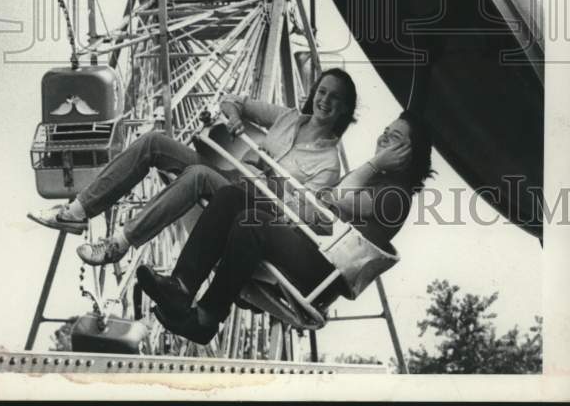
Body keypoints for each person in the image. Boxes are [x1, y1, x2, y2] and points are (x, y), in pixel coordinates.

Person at [136, 110, 433, 344]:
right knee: (232, 196)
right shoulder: (377, 180)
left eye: (393, 138)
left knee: (251, 225)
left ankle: (206, 318)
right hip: (308, 244)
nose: (383, 138)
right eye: (385, 131)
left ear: (409, 154)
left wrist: (372, 163)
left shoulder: (397, 195)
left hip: (322, 268)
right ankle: (181, 287)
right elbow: (326, 204)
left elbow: (338, 199)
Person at [27, 69, 357, 267]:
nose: (324, 101)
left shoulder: (328, 162)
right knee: (154, 142)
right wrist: (235, 117)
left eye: (335, 98)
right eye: (322, 91)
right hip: (232, 180)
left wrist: (269, 176)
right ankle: (77, 210)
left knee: (197, 175)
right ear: (314, 93)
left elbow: (303, 212)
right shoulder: (287, 118)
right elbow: (233, 100)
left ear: (344, 110)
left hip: (258, 207)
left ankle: (117, 245)